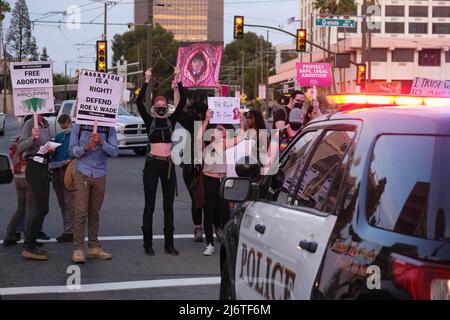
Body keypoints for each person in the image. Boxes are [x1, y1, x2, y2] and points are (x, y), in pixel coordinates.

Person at [137, 68, 187, 256]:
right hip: (151, 165)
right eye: (157, 103)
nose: (160, 105)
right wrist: (146, 81)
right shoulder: (148, 120)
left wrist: (179, 79)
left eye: (163, 103)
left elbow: (183, 102)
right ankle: (147, 244)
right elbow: (138, 102)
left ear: (167, 107)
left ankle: (169, 244)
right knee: (149, 205)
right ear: (154, 106)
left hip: (167, 166)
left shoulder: (171, 121)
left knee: (168, 207)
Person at [69, 120, 119, 264]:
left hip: (100, 174)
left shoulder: (109, 127)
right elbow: (71, 150)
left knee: (94, 212)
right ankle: (78, 249)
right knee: (81, 212)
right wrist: (85, 147)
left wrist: (102, 142)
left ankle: (93, 247)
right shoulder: (79, 125)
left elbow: (115, 151)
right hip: (82, 172)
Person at [198, 110, 245, 256]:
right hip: (209, 180)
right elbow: (199, 135)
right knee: (209, 211)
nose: (219, 131)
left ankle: (225, 241)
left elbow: (242, 136)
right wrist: (206, 119)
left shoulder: (225, 144)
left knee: (224, 212)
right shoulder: (204, 145)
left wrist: (241, 121)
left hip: (223, 181)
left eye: (221, 130)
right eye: (216, 129)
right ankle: (210, 244)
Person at [174, 89, 208, 242]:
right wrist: (176, 90)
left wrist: (220, 95)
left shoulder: (214, 123)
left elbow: (225, 113)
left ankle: (209, 228)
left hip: (210, 168)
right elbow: (178, 109)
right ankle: (198, 228)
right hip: (191, 167)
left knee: (209, 199)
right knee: (196, 198)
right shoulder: (191, 123)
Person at [19, 114, 55, 260]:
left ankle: (31, 241)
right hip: (34, 166)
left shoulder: (45, 123)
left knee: (42, 207)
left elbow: (46, 143)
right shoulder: (29, 124)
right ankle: (29, 245)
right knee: (42, 208)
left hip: (44, 166)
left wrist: (51, 147)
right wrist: (32, 138)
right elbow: (21, 147)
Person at [49, 114, 75, 243]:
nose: (64, 128)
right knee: (63, 203)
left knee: (69, 203)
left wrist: (69, 161)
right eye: (61, 127)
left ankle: (70, 231)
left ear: (70, 122)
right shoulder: (59, 137)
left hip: (69, 171)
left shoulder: (75, 136)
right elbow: (54, 157)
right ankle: (68, 229)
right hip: (57, 171)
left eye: (65, 126)